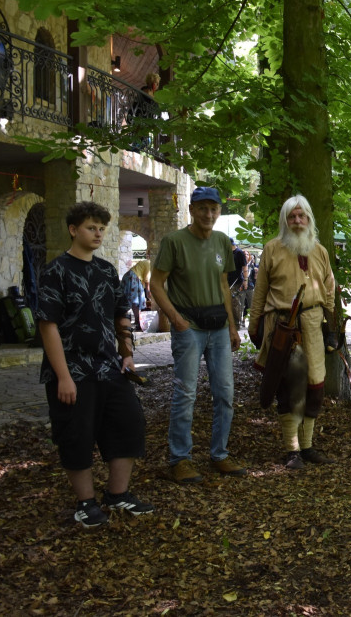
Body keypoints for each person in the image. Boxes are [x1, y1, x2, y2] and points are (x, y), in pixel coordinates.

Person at [36, 201, 154, 527]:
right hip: (71, 370)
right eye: (91, 227)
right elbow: (48, 325)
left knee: (129, 423)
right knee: (77, 435)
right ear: (74, 230)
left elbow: (121, 314)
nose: (98, 233)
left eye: (102, 228)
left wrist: (127, 353)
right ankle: (85, 503)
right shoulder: (55, 271)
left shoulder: (105, 270)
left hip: (109, 367)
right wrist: (63, 377)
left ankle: (117, 495)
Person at [150, 186, 246, 483]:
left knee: (225, 393)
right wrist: (175, 318)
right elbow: (156, 283)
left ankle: (220, 454)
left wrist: (232, 325)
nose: (208, 214)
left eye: (214, 208)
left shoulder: (221, 242)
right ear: (191, 210)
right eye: (202, 208)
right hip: (188, 327)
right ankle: (180, 458)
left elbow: (222, 287)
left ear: (219, 211)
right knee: (185, 393)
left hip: (218, 327)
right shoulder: (174, 242)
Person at [248, 195, 338, 469]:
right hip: (282, 327)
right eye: (292, 216)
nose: (297, 221)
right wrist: (255, 327)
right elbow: (260, 292)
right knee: (288, 388)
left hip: (312, 324)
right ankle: (292, 450)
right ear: (285, 221)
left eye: (302, 216)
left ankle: (308, 447)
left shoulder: (320, 251)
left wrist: (331, 328)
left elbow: (330, 291)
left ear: (309, 218)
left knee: (315, 387)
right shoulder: (272, 249)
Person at [121, 260, 147, 332]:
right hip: (132, 277)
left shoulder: (146, 263)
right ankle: (137, 321)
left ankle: (133, 321)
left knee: (127, 299)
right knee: (135, 301)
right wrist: (149, 295)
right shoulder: (149, 265)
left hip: (128, 276)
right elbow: (147, 283)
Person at [228, 238, 248, 327]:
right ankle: (229, 323)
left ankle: (236, 324)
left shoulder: (239, 252)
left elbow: (244, 267)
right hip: (226, 282)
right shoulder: (227, 252)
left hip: (236, 282)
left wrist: (245, 280)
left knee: (234, 302)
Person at [242, 252, 258, 327]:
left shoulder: (252, 266)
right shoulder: (240, 264)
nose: (246, 256)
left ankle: (251, 322)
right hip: (241, 288)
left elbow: (254, 278)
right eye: (244, 254)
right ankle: (241, 321)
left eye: (247, 255)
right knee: (241, 305)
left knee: (250, 305)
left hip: (250, 287)